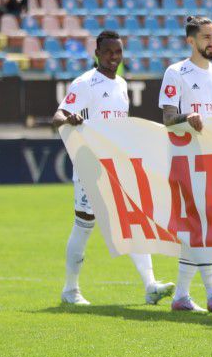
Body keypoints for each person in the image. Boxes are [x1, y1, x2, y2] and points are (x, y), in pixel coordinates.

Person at [51, 30, 175, 306]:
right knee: (84, 224)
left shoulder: (120, 83)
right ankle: (70, 290)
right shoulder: (85, 83)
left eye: (118, 52)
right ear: (97, 53)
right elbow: (58, 115)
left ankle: (150, 285)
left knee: (134, 220)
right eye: (108, 52)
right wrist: (68, 118)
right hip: (90, 164)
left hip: (118, 164)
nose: (113, 57)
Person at [158, 16, 212, 314]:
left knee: (201, 224)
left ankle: (181, 295)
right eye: (206, 37)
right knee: (204, 222)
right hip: (186, 157)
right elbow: (168, 118)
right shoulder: (176, 72)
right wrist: (187, 118)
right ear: (191, 41)